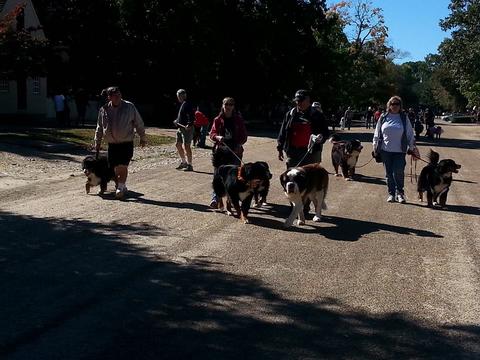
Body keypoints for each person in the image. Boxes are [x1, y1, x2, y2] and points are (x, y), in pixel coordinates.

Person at [94, 86, 146, 199]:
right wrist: (97, 142)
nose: (118, 97)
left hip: (126, 143)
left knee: (122, 165)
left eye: (119, 94)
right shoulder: (104, 109)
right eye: (115, 95)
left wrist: (142, 137)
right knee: (115, 167)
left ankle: (120, 187)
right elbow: (100, 127)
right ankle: (122, 185)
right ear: (109, 97)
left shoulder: (129, 107)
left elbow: (139, 122)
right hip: (112, 144)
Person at [372, 96, 417, 204]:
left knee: (398, 172)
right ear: (389, 105)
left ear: (400, 105)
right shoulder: (383, 117)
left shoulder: (403, 117)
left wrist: (412, 147)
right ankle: (391, 193)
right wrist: (375, 146)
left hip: (400, 150)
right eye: (393, 104)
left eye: (397, 104)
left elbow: (410, 133)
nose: (395, 106)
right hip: (385, 150)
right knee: (389, 173)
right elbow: (377, 132)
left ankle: (400, 193)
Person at [209, 97, 248, 208]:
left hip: (235, 151)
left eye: (230, 104)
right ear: (223, 105)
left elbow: (244, 136)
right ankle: (215, 199)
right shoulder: (218, 119)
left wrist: (239, 144)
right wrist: (217, 137)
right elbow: (212, 133)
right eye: (226, 104)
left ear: (233, 106)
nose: (228, 106)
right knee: (218, 175)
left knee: (234, 176)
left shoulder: (238, 119)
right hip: (221, 151)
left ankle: (233, 200)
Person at [174, 89, 195, 171]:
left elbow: (192, 116)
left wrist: (189, 124)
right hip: (180, 128)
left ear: (184, 96)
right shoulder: (182, 104)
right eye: (178, 96)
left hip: (187, 129)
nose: (179, 97)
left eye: (180, 96)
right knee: (178, 144)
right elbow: (182, 116)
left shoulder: (188, 104)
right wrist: (177, 121)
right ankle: (184, 162)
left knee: (187, 146)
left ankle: (190, 165)